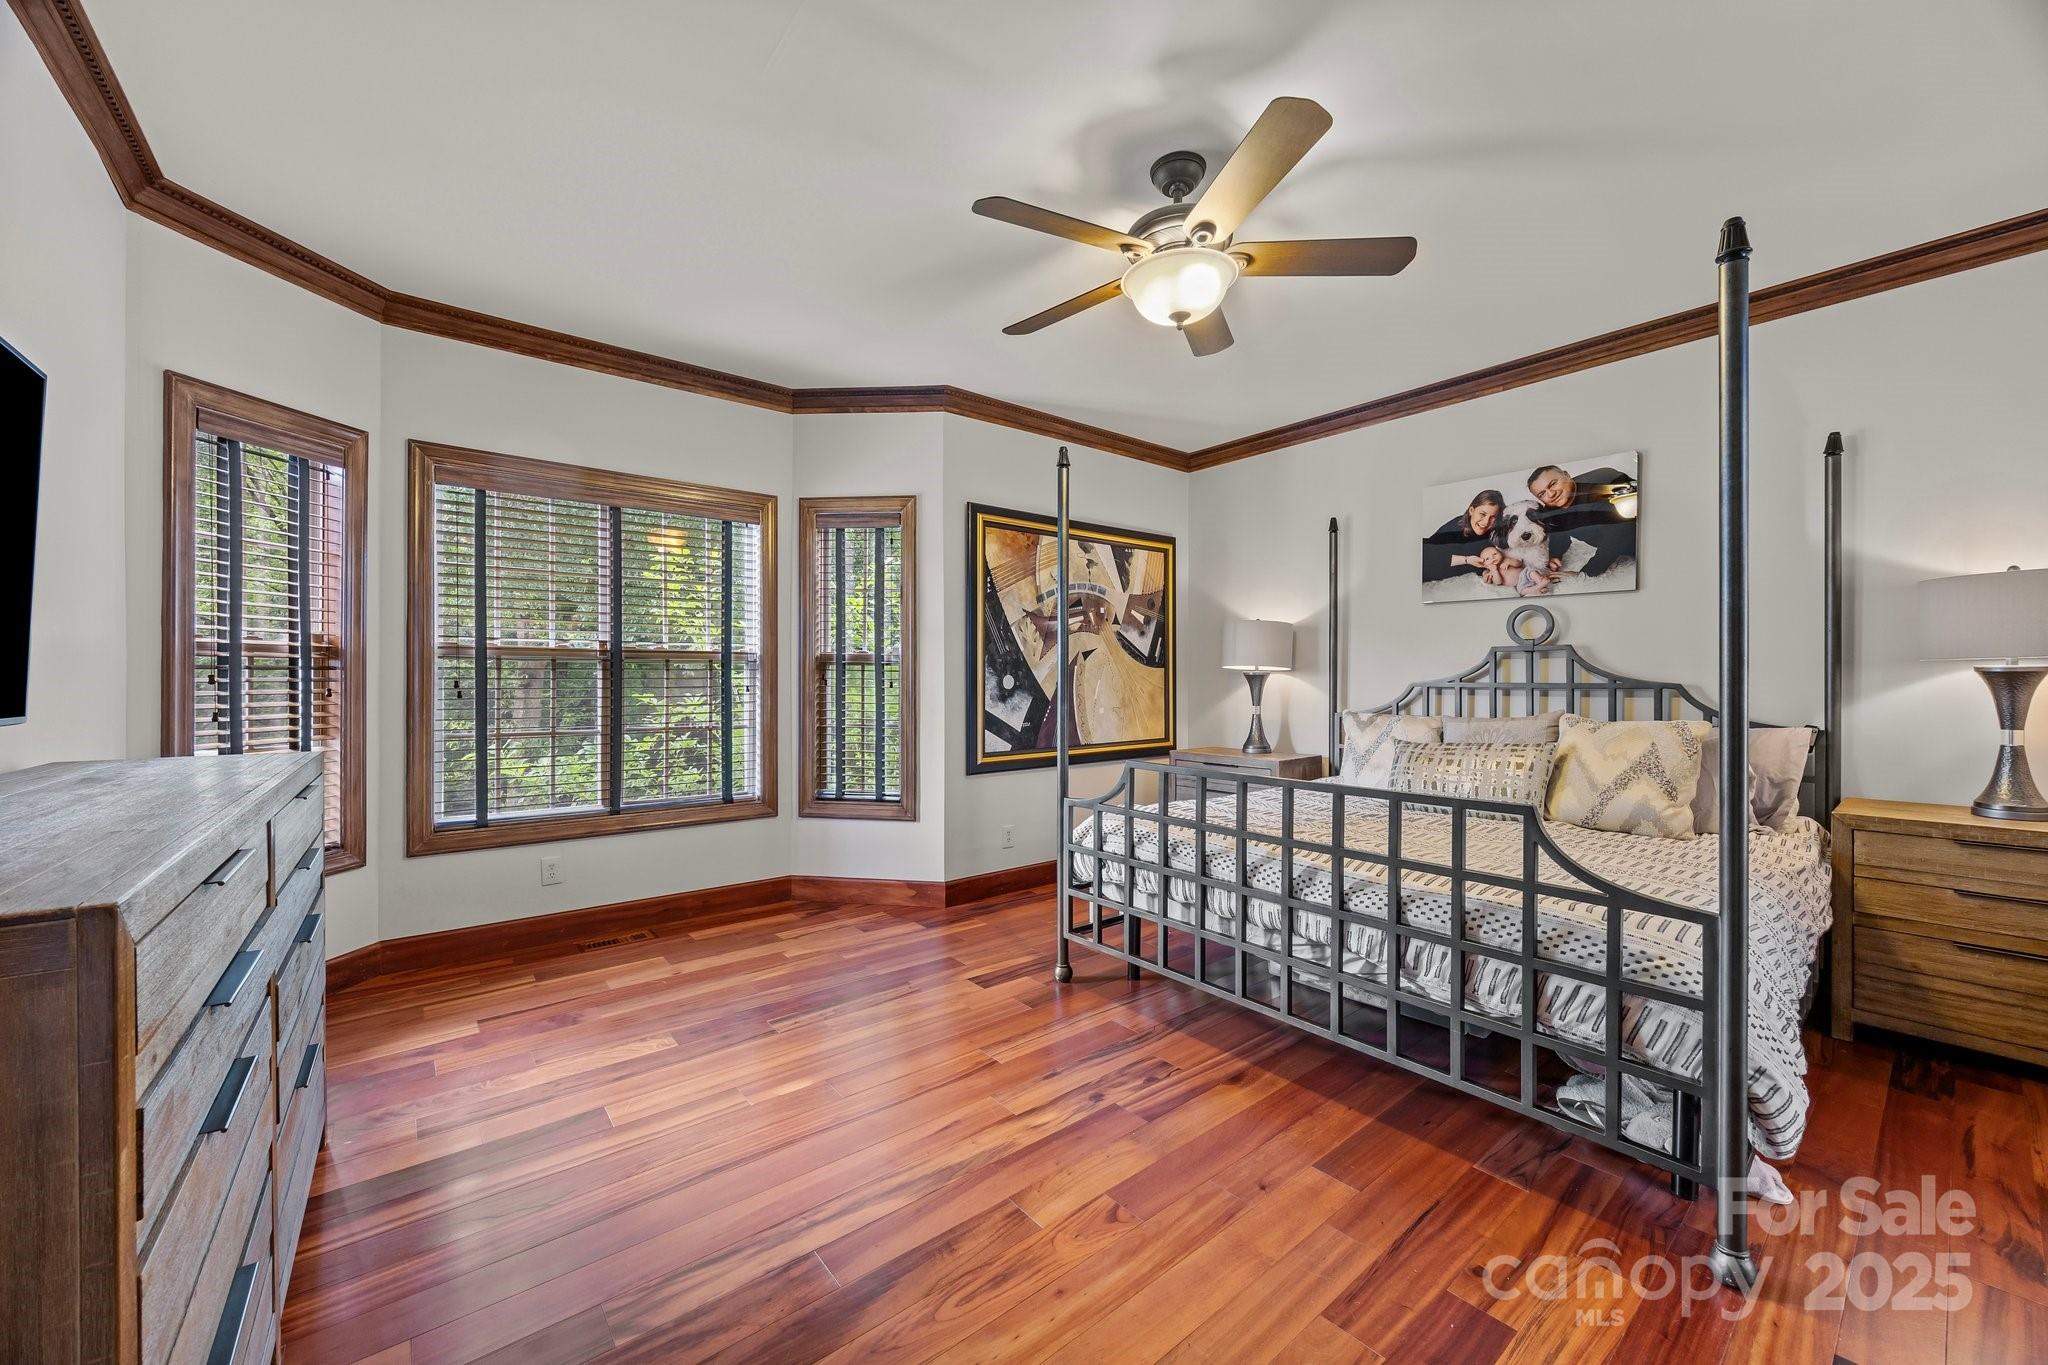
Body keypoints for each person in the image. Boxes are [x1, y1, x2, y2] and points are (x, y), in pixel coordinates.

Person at [1526, 463, 1636, 577]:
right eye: (1542, 494)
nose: (1551, 494)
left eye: (1553, 484)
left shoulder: (1605, 480)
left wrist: (1586, 573)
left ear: (1566, 475)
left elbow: (1621, 532)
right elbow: (1560, 536)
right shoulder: (1551, 510)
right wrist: (1555, 556)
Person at [1422, 489, 1512, 585]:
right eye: (1482, 514)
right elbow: (1427, 552)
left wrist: (1487, 572)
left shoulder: (1493, 537)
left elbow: (1485, 564)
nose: (1486, 522)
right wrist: (1466, 560)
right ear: (1471, 511)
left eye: (1492, 517)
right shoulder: (1456, 527)